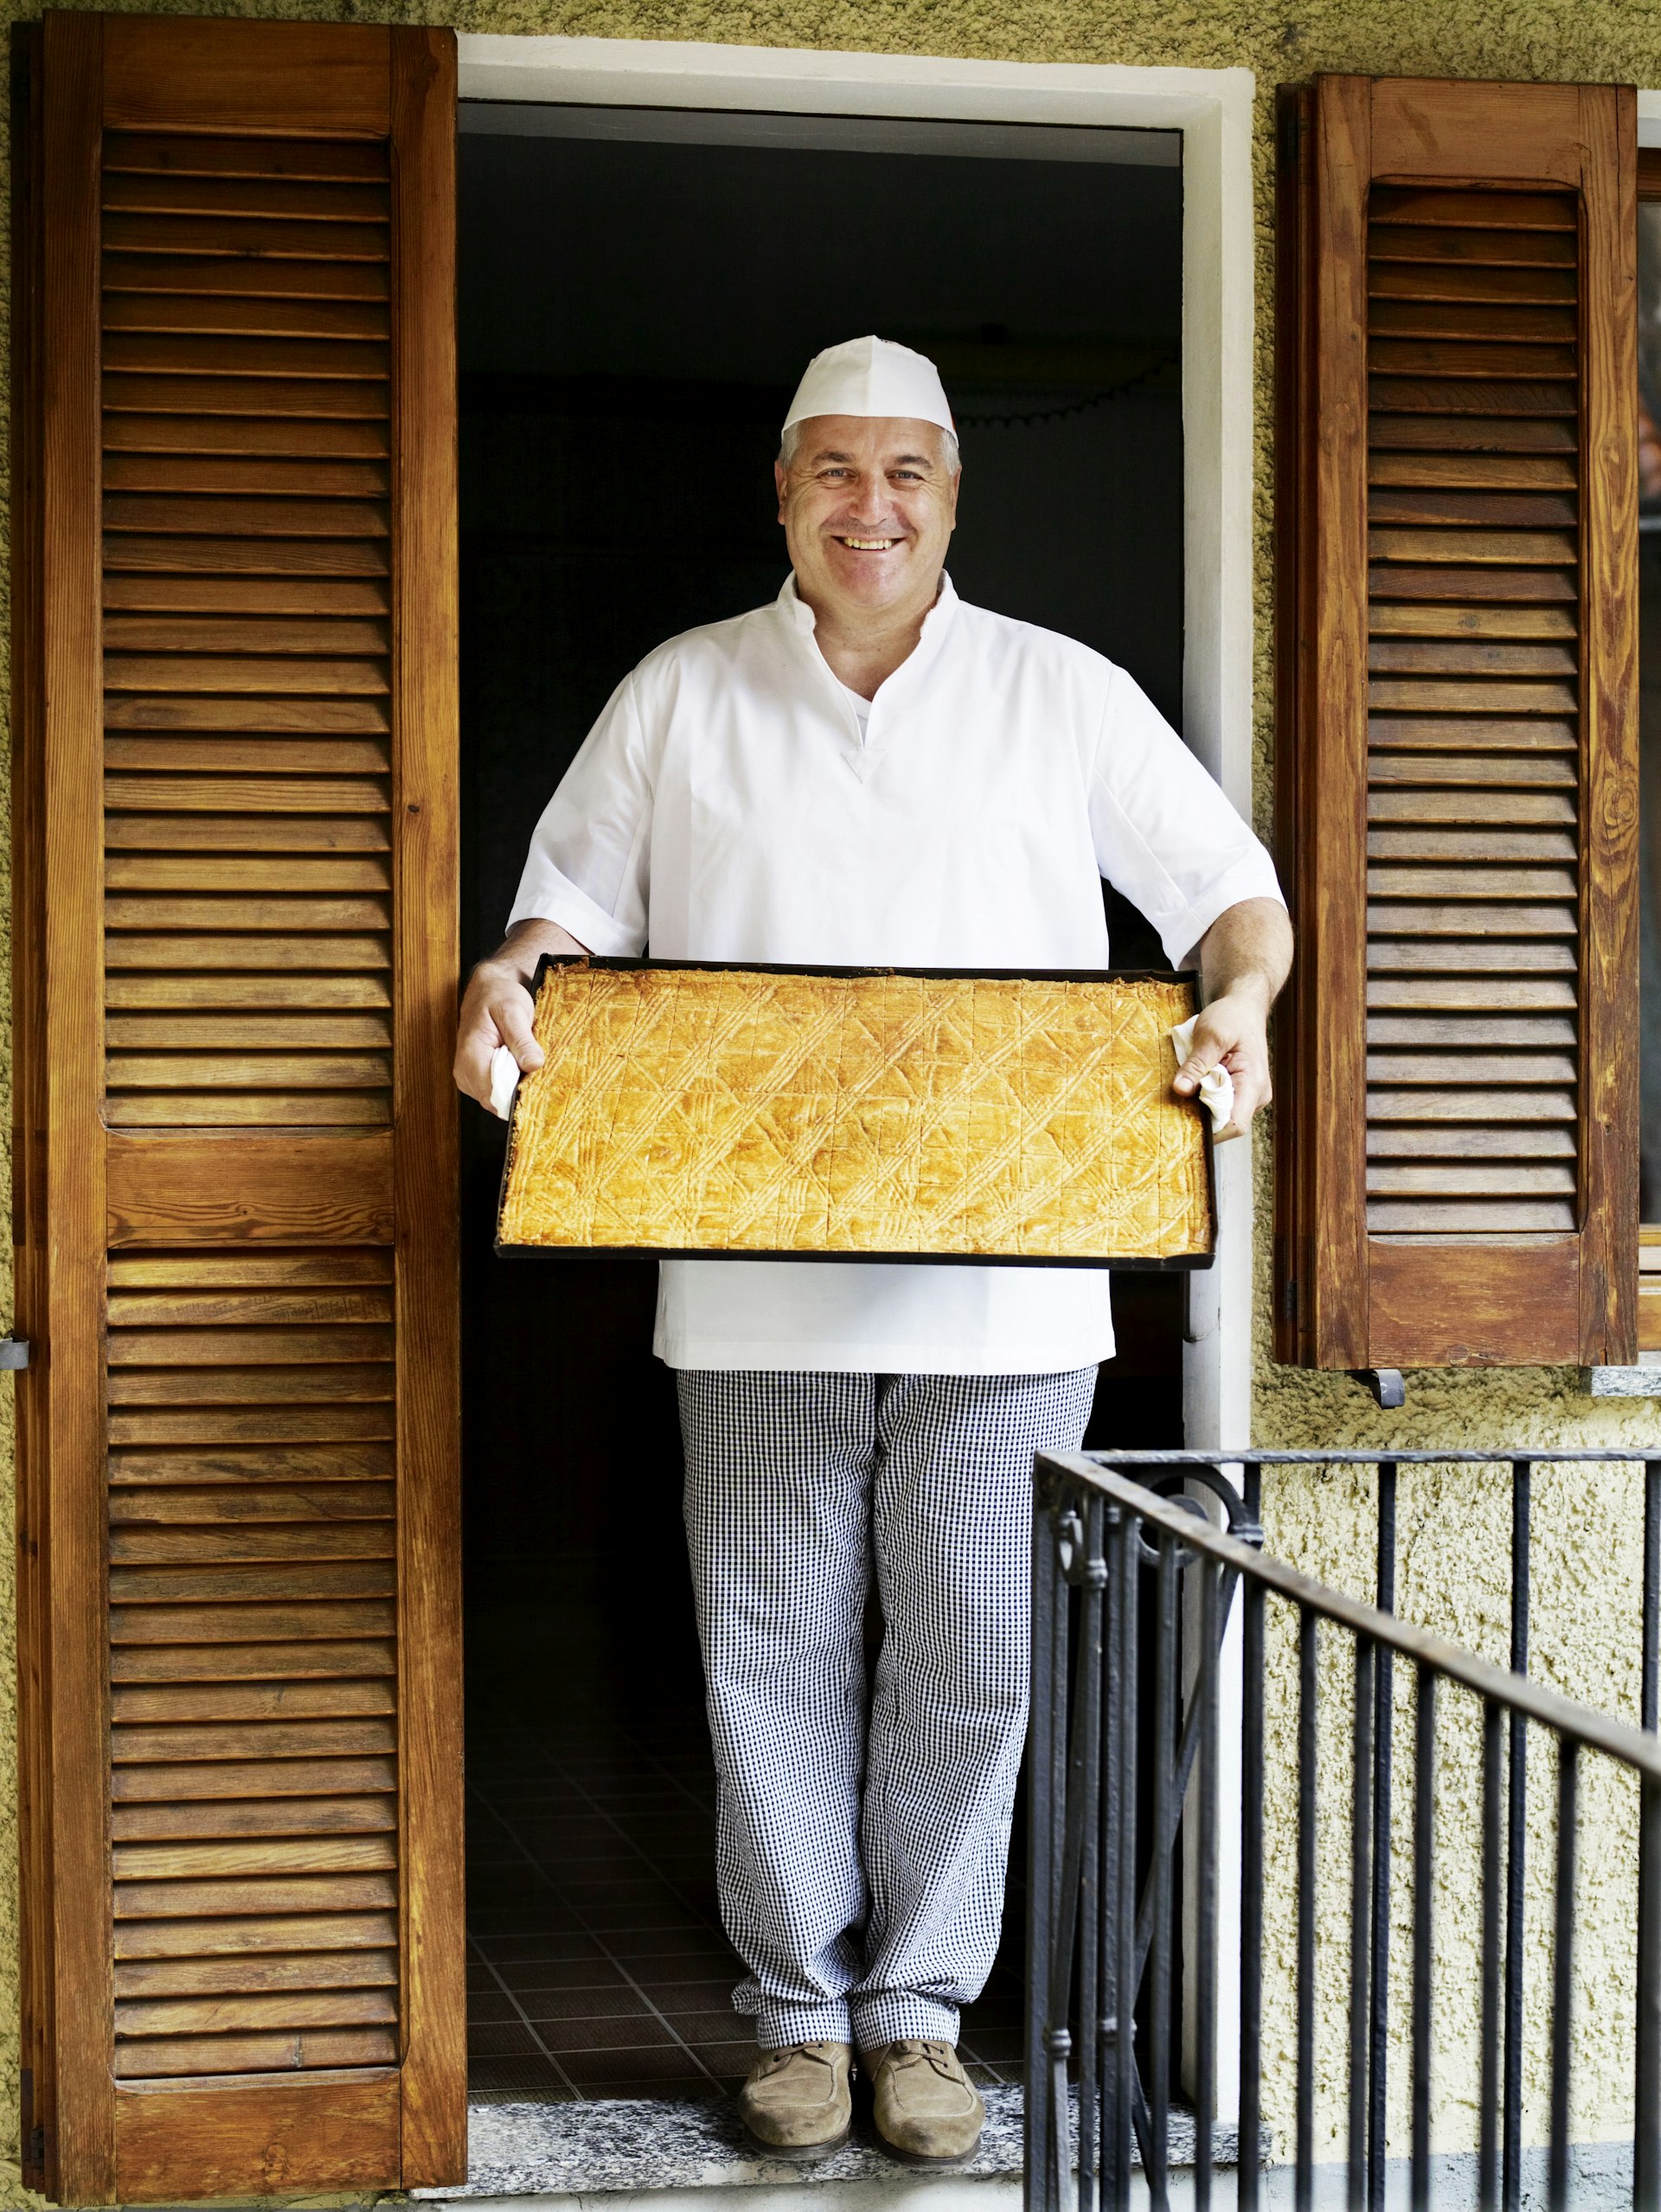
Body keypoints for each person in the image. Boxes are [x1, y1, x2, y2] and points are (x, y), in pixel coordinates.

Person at [455, 336, 1292, 2165]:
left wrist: (1239, 1004)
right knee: (766, 1645)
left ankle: (918, 2017)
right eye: (835, 469)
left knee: (974, 1653)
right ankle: (797, 2022)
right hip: (747, 1292)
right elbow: (558, 925)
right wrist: (506, 987)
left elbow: (1236, 899)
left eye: (907, 470)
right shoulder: (679, 694)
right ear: (781, 493)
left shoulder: (1061, 695)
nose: (871, 505)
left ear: (953, 496)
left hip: (1019, 1287)